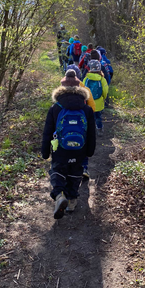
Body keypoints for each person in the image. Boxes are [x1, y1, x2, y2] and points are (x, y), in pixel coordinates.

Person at [41, 70, 96, 219]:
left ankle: (59, 194)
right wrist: (90, 151)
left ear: (62, 86)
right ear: (79, 87)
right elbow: (91, 133)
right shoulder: (86, 109)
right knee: (75, 173)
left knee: (57, 171)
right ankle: (72, 200)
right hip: (80, 149)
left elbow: (48, 131)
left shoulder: (56, 108)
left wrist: (45, 151)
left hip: (60, 149)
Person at [67, 64, 95, 181]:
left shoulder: (62, 92)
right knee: (83, 143)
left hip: (66, 126)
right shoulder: (86, 90)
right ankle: (84, 168)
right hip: (82, 124)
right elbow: (92, 108)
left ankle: (68, 166)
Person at [83, 60, 108, 137]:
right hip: (99, 102)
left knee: (89, 117)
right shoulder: (102, 79)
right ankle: (99, 129)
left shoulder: (86, 78)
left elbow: (83, 89)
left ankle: (90, 131)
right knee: (98, 117)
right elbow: (105, 91)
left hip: (88, 103)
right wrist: (103, 98)